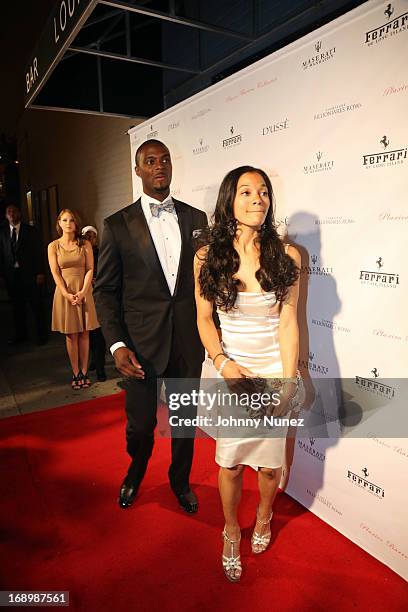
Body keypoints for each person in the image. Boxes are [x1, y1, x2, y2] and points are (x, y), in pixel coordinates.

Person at [194, 166, 301, 581]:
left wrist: (288, 381)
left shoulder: (287, 256)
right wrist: (223, 363)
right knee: (232, 464)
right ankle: (230, 531)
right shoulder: (207, 257)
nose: (258, 198)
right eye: (246, 191)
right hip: (232, 368)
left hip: (274, 368)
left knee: (271, 468)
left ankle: (263, 517)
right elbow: (204, 320)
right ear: (229, 200)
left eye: (263, 192)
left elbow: (288, 323)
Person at [94, 139, 208, 513]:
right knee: (141, 427)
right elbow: (105, 291)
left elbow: (206, 283)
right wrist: (116, 345)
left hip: (187, 341)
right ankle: (136, 469)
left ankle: (180, 482)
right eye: (150, 161)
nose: (159, 166)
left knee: (184, 422)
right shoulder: (117, 225)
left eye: (165, 160)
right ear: (138, 170)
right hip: (140, 347)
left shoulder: (196, 220)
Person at [48, 209, 100, 389]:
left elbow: (90, 269)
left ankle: (84, 372)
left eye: (71, 220)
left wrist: (84, 291)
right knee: (71, 335)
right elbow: (55, 273)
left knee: (85, 333)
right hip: (65, 293)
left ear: (76, 223)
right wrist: (66, 294)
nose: (68, 223)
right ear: (59, 223)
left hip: (83, 290)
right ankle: (75, 372)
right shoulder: (53, 246)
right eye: (64, 220)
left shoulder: (84, 244)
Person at [0, 203, 48, 345]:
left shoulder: (31, 231)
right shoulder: (2, 233)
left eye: (14, 211)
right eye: (9, 211)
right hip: (12, 276)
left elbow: (39, 252)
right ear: (6, 215)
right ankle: (21, 335)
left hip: (31, 274)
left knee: (36, 305)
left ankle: (42, 336)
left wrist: (40, 272)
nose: (12, 214)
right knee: (17, 307)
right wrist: (3, 275)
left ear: (19, 213)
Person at [82, 225, 107, 382]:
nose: (89, 239)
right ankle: (93, 361)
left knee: (98, 333)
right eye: (86, 236)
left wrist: (97, 279)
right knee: (88, 332)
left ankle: (100, 368)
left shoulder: (101, 252)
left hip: (98, 295)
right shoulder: (81, 252)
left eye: (92, 236)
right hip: (85, 295)